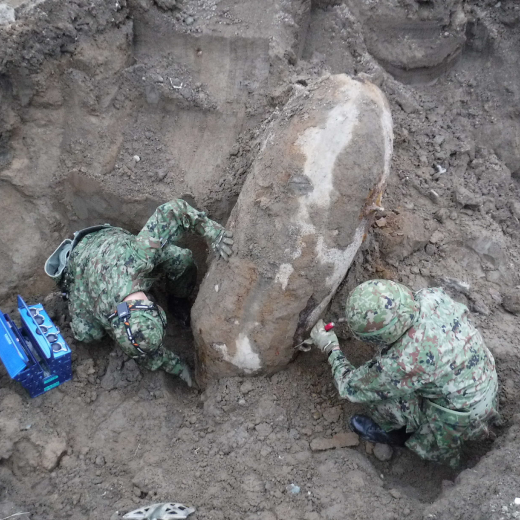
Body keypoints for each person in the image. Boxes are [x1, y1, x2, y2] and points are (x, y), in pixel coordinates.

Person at [309, 279, 499, 468]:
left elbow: (350, 387)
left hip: (464, 419)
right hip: (483, 379)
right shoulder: (431, 297)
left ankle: (401, 437)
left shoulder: (403, 362)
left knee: (380, 402)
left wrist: (330, 347)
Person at [44, 199, 233, 387]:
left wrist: (214, 233)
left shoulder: (138, 257)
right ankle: (67, 287)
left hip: (106, 241)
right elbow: (140, 348)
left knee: (182, 259)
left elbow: (174, 209)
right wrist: (178, 367)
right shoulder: (102, 311)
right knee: (86, 333)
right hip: (77, 272)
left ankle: (178, 299)